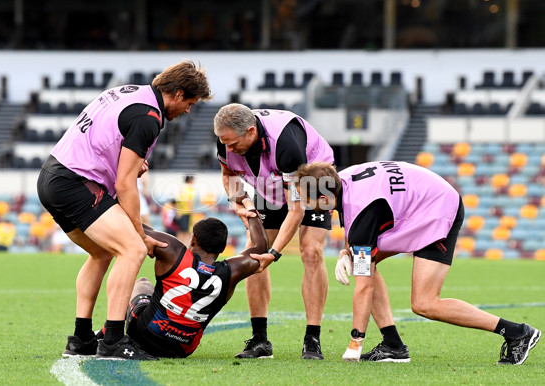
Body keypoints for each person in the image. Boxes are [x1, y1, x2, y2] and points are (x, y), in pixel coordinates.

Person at [37, 60, 212, 360]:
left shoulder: (128, 92)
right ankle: (114, 341)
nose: (188, 111)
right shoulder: (149, 117)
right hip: (76, 183)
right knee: (132, 250)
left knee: (103, 253)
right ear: (179, 93)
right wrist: (138, 232)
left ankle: (80, 339)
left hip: (52, 178)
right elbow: (125, 184)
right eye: (190, 104)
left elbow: (106, 141)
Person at [294, 160, 541, 365]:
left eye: (307, 198)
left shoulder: (360, 212)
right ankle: (393, 345)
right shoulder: (340, 178)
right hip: (423, 199)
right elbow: (360, 221)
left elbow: (363, 287)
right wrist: (346, 253)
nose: (304, 205)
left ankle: (517, 332)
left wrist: (355, 342)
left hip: (437, 209)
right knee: (367, 264)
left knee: (424, 303)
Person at [214, 103, 334, 360]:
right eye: (225, 144)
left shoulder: (286, 144)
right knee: (254, 253)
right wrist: (240, 201)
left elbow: (296, 210)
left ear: (250, 131)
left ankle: (312, 338)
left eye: (234, 144)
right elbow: (229, 174)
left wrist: (275, 253)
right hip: (270, 182)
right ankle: (260, 340)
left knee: (310, 251)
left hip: (313, 180)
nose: (229, 149)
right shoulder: (227, 139)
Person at [124, 194, 273, 358]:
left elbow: (133, 225)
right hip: (182, 350)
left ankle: (109, 333)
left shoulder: (173, 251)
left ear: (193, 239)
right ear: (223, 248)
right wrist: (249, 208)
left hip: (142, 336)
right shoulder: (231, 272)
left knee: (143, 283)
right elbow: (260, 247)